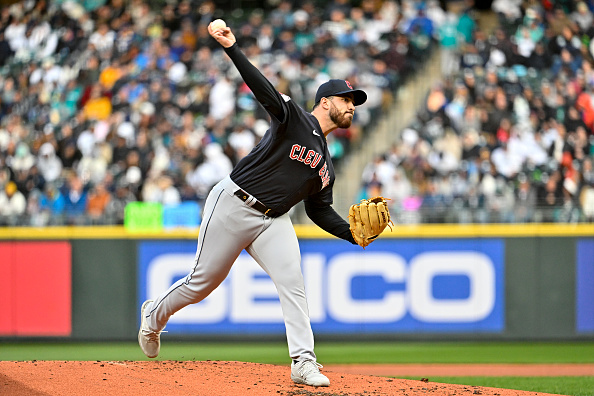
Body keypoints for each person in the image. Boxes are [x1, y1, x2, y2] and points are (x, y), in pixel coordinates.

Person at [138, 20, 368, 388]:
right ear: (325, 102)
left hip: (273, 221)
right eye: (346, 100)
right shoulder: (295, 119)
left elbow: (318, 211)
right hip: (234, 203)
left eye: (353, 102)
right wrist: (232, 47)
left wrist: (353, 232)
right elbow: (265, 91)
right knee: (201, 284)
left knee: (293, 283)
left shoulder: (326, 165)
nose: (351, 106)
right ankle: (154, 316)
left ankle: (303, 362)